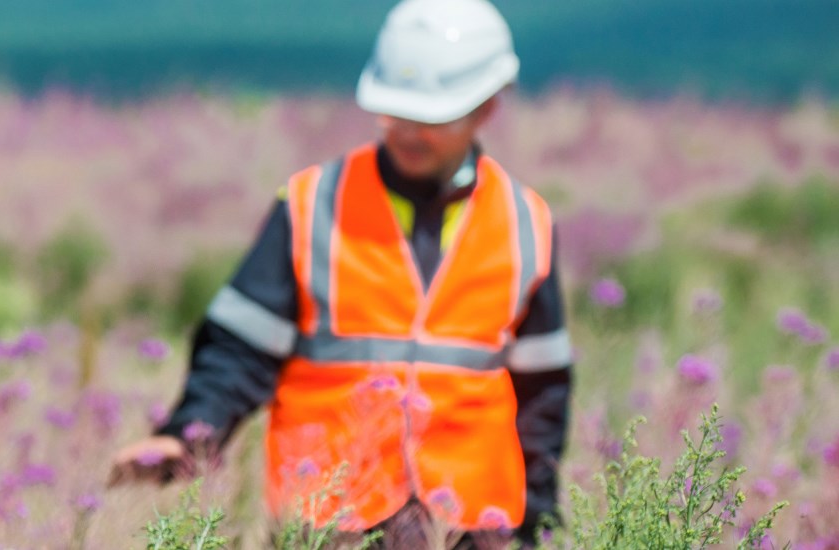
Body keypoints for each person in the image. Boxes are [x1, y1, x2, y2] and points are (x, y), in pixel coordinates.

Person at [110, 0, 572, 545]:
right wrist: (187, 435)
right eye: (396, 113)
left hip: (473, 528)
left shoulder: (525, 222)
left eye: (432, 119)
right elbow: (237, 351)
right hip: (332, 524)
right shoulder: (312, 205)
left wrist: (537, 520)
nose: (409, 132)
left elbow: (542, 394)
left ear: (488, 107)